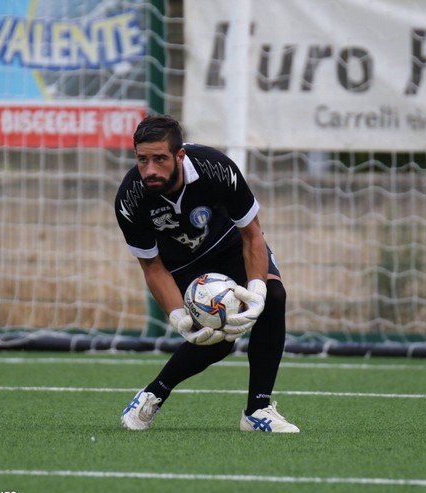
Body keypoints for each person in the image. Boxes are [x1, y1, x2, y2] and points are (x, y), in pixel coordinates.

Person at [114, 114, 299, 433]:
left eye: (160, 159)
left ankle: (257, 411)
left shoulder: (215, 167)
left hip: (230, 245)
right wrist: (178, 318)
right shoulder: (130, 200)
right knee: (218, 336)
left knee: (274, 297)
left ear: (179, 155)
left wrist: (256, 289)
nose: (150, 170)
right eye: (142, 160)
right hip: (185, 265)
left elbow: (253, 234)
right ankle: (153, 394)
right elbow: (152, 267)